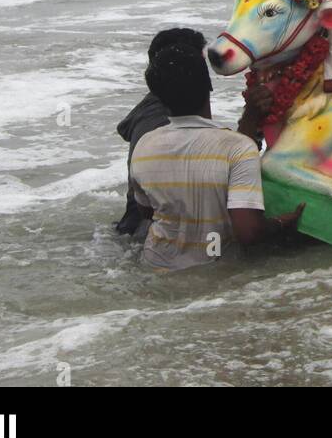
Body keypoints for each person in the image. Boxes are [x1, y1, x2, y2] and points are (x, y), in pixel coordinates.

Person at [129, 39, 302, 271]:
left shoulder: (144, 145)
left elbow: (148, 211)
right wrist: (281, 223)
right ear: (208, 86)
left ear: (159, 97)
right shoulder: (237, 148)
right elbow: (249, 232)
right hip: (213, 268)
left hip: (153, 264)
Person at [116, 28, 271, 238]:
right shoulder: (155, 122)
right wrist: (278, 226)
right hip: (144, 231)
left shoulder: (152, 136)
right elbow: (209, 191)